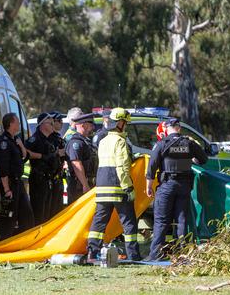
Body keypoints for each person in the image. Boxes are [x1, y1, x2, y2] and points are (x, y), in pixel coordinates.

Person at [145, 118, 208, 261]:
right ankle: (182, 254)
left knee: (161, 221)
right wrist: (192, 159)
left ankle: (156, 255)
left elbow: (151, 168)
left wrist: (149, 187)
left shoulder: (161, 144)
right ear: (179, 128)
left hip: (167, 185)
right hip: (184, 186)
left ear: (167, 129)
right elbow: (203, 159)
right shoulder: (189, 143)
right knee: (182, 221)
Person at [87, 107, 140, 261]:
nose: (126, 126)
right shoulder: (121, 142)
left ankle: (92, 251)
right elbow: (122, 167)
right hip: (118, 186)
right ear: (120, 123)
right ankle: (133, 255)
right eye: (126, 123)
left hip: (102, 185)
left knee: (99, 221)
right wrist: (128, 187)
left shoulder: (103, 140)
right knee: (129, 222)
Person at [0, 113, 34, 240]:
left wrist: (21, 145)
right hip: (9, 184)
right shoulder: (3, 142)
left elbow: (25, 156)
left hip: (18, 182)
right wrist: (6, 190)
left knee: (27, 215)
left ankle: (23, 241)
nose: (19, 124)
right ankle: (4, 243)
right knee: (9, 216)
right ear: (10, 124)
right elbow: (3, 169)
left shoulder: (14, 140)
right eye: (17, 122)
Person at [25, 112, 61, 225]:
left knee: (47, 213)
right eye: (50, 123)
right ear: (42, 124)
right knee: (39, 213)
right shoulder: (35, 139)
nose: (52, 125)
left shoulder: (49, 139)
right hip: (38, 178)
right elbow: (25, 153)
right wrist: (40, 156)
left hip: (48, 179)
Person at [65, 113, 98, 203]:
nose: (93, 128)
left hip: (87, 183)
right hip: (78, 186)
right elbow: (76, 163)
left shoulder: (85, 142)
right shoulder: (76, 143)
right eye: (91, 125)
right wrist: (85, 184)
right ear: (84, 125)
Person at [47, 111, 67, 216]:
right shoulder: (48, 138)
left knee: (58, 209)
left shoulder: (58, 138)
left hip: (58, 178)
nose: (62, 123)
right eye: (59, 120)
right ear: (52, 122)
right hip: (49, 179)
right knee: (50, 210)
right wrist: (57, 153)